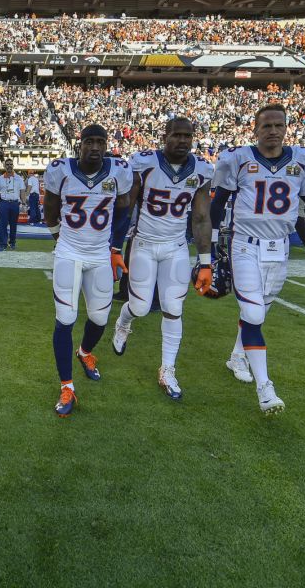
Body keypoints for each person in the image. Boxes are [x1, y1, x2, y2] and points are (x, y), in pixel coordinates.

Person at [211, 104, 305, 414]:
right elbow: (218, 203)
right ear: (255, 130)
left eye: (278, 125)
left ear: (286, 128)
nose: (273, 131)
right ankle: (265, 389)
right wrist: (213, 243)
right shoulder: (238, 159)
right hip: (245, 244)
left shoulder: (303, 160)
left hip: (279, 247)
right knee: (254, 313)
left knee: (258, 311)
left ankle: (236, 356)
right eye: (267, 126)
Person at [110, 117, 214, 400]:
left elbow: (202, 217)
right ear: (164, 136)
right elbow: (126, 205)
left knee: (173, 308)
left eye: (187, 136)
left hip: (176, 247)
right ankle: (124, 322)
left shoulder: (202, 169)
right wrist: (115, 248)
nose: (182, 141)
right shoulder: (145, 163)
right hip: (143, 242)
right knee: (141, 307)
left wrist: (205, 262)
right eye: (176, 135)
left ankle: (167, 369)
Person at [43, 124, 134, 416]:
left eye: (100, 142)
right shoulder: (61, 170)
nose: (95, 147)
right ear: (79, 145)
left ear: (107, 144)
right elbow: (50, 209)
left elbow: (123, 210)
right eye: (89, 142)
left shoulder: (119, 169)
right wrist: (61, 242)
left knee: (99, 317)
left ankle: (84, 353)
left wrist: (115, 248)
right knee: (65, 318)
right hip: (69, 252)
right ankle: (67, 386)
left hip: (98, 253)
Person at [0, 158, 26, 251]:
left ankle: (12, 243)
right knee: (2, 225)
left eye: (11, 164)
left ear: (13, 166)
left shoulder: (19, 178)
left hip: (15, 203)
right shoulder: (0, 179)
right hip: (3, 203)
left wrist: (24, 203)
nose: (9, 166)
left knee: (13, 225)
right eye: (7, 164)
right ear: (4, 166)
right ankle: (3, 244)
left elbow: (22, 191)